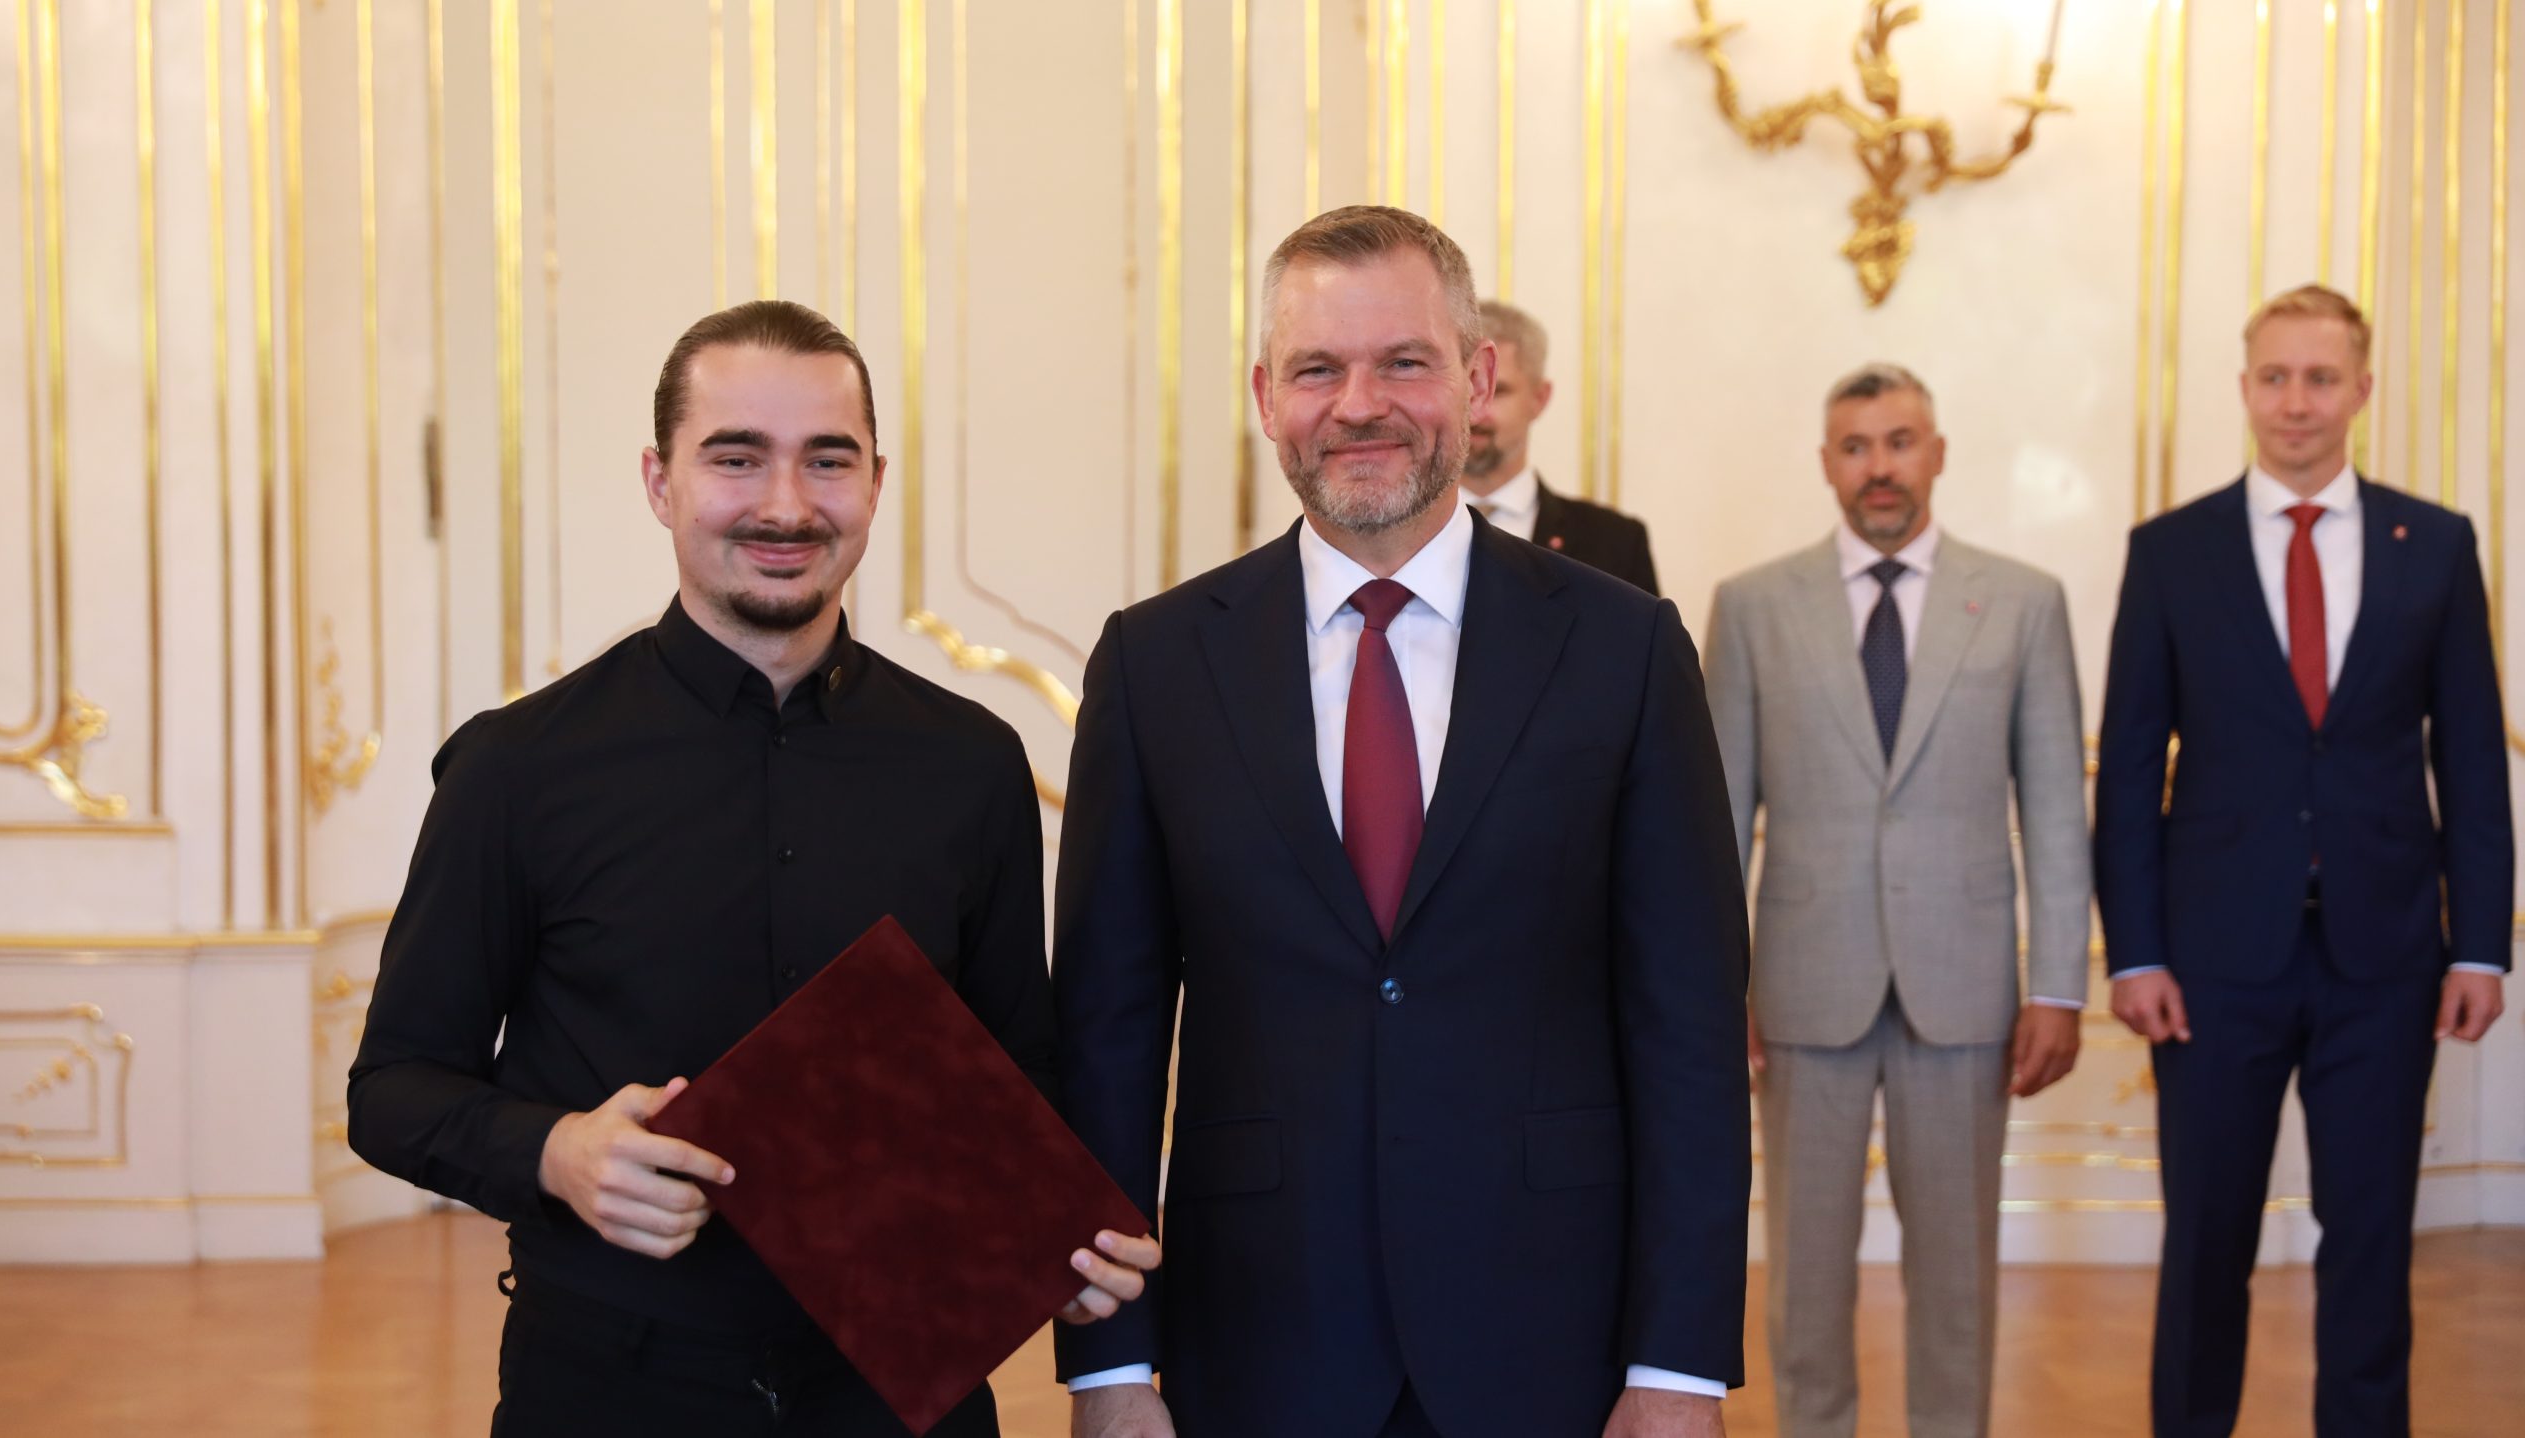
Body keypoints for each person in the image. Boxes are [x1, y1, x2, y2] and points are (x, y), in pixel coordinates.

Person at [346, 300, 1157, 1437]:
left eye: (827, 459)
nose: (786, 504)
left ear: (874, 482)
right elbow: (392, 1090)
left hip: (898, 1395)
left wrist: (1041, 1231)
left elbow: (1018, 1061)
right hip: (608, 1383)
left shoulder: (972, 762)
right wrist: (557, 1151)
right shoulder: (515, 767)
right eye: (736, 458)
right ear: (660, 481)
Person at [1051, 206, 1749, 1438]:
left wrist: (1680, 1368)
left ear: (1477, 381)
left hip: (1553, 1339)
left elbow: (1687, 1028)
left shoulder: (1625, 649)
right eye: (1317, 368)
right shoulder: (1154, 664)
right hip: (1255, 1339)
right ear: (1266, 397)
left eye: (1404, 362)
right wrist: (1107, 1372)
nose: (1359, 405)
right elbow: (1107, 1036)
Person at [2094, 284, 2511, 1438]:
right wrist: (2134, 953)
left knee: (2369, 1246)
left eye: (2319, 379)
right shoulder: (2169, 552)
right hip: (2210, 965)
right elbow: (2127, 770)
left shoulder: (2434, 545)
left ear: (2360, 390)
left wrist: (2479, 945)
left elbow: (2472, 760)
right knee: (2206, 1242)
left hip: (2387, 960)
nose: (2294, 402)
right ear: (2243, 389)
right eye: (2274, 377)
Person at [1702, 363, 2089, 1438]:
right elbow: (1715, 823)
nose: (1880, 466)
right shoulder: (1752, 606)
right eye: (1856, 446)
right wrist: (1717, 985)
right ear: (1827, 464)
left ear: (1938, 453)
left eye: (1900, 441)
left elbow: (2057, 811)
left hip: (1964, 992)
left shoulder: (2022, 601)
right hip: (1800, 992)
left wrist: (2059, 985)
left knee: (1958, 1273)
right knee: (1804, 1274)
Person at [1457, 299, 1660, 593]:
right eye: (1464, 389)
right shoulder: (1395, 533)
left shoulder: (1616, 543)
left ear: (1540, 398)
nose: (1475, 411)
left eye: (1497, 391)